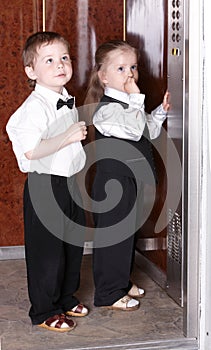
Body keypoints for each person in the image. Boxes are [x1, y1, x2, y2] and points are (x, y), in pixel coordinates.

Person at [6, 31, 88, 332]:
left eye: (64, 58)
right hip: (45, 185)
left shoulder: (65, 98)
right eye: (49, 60)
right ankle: (43, 311)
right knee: (47, 251)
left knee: (71, 244)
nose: (60, 64)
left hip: (69, 182)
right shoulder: (33, 109)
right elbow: (31, 152)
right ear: (31, 71)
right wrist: (67, 136)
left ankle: (66, 297)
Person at [84, 40, 170, 311]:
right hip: (114, 184)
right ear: (103, 76)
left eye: (133, 67)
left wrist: (161, 112)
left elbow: (148, 131)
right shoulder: (106, 109)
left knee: (127, 235)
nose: (130, 74)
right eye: (121, 68)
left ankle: (120, 281)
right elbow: (133, 131)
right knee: (113, 239)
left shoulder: (131, 105)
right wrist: (137, 98)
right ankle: (109, 292)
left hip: (130, 182)